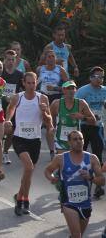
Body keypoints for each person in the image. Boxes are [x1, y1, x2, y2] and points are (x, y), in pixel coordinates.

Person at [4, 71, 54, 216]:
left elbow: (49, 121)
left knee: (29, 172)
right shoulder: (17, 97)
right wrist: (8, 120)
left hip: (35, 140)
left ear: (36, 83)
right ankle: (21, 201)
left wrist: (44, 112)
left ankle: (23, 197)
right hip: (20, 138)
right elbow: (11, 109)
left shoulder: (42, 98)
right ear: (23, 83)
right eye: (29, 83)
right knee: (29, 167)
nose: (31, 86)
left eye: (34, 83)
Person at [45, 130, 105, 238]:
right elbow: (48, 171)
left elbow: (102, 180)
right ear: (69, 142)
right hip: (68, 202)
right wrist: (52, 178)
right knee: (77, 235)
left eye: (80, 139)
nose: (78, 141)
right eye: (75, 139)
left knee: (78, 235)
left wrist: (90, 177)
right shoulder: (60, 158)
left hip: (86, 202)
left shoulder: (92, 158)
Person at [76, 66, 106, 199]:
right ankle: (77, 179)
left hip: (98, 127)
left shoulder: (105, 90)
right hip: (84, 126)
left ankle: (98, 185)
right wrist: (87, 117)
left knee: (98, 153)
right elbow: (74, 107)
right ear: (90, 78)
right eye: (96, 77)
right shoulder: (83, 91)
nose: (99, 79)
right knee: (80, 153)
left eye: (102, 77)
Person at [51, 80, 96, 153]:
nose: (71, 91)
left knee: (74, 163)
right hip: (60, 141)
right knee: (62, 162)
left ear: (76, 90)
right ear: (63, 90)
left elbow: (93, 121)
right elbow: (51, 119)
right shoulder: (56, 103)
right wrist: (52, 128)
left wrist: (82, 117)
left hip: (76, 141)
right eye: (68, 88)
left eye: (73, 88)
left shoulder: (81, 103)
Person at [1, 49, 25, 166]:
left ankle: (5, 152)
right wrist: (3, 96)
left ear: (15, 61)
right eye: (8, 59)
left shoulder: (19, 74)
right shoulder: (0, 72)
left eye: (12, 60)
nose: (10, 62)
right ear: (4, 60)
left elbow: (23, 91)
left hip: (13, 107)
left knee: (10, 131)